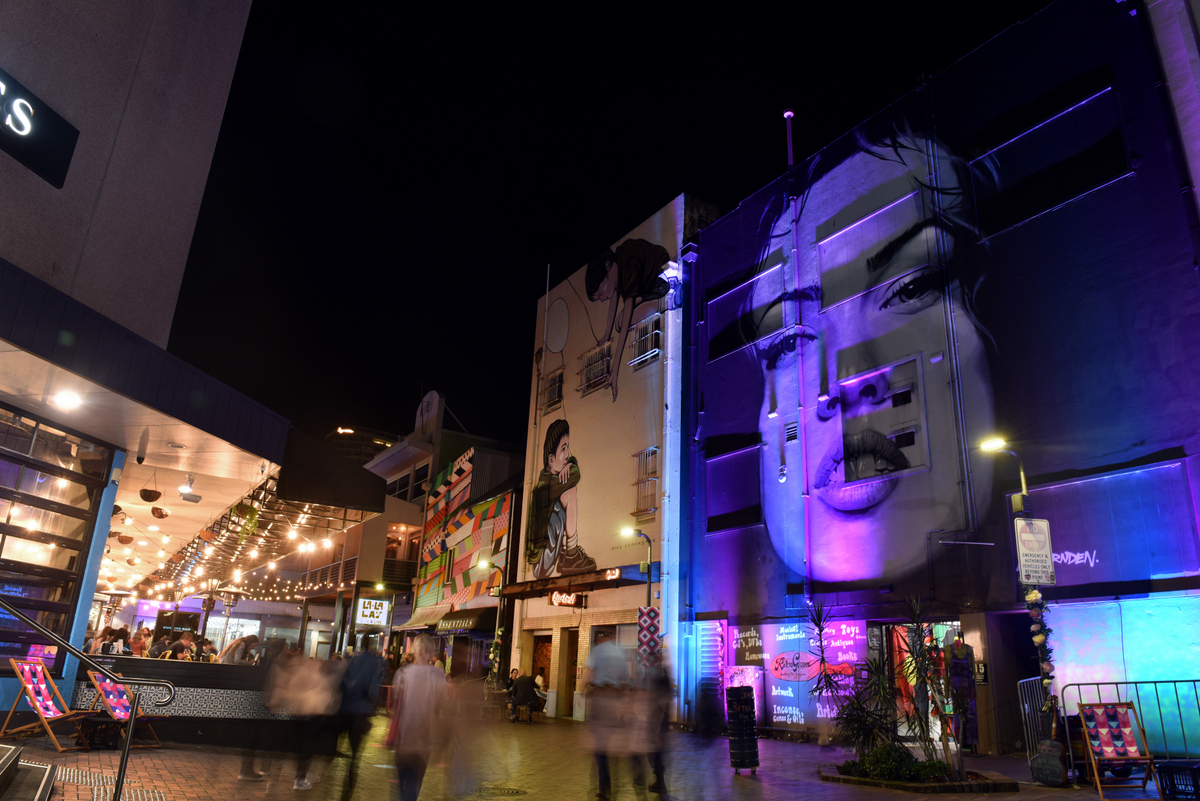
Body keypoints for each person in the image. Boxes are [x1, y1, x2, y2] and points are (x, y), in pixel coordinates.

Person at [584, 238, 674, 401]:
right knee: (618, 321)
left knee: (624, 320)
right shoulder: (617, 264)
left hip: (661, 278)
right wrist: (606, 335)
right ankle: (652, 299)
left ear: (607, 266)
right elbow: (614, 300)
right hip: (647, 286)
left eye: (601, 292)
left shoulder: (628, 264)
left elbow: (625, 325)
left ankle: (666, 301)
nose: (603, 298)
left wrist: (615, 370)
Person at [526, 419, 596, 579]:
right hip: (542, 563)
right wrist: (572, 464)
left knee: (566, 494)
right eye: (563, 449)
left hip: (545, 558)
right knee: (570, 491)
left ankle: (568, 552)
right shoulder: (551, 483)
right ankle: (571, 553)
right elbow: (576, 475)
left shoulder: (546, 479)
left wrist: (569, 463)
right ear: (551, 460)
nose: (568, 454)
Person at [391, 634, 447, 801]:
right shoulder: (437, 675)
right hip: (424, 737)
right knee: (415, 782)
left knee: (402, 781)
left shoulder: (402, 674)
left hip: (402, 736)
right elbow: (441, 704)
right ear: (430, 651)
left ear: (414, 650)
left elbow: (396, 704)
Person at [335, 639, 384, 800]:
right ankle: (346, 793)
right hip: (360, 712)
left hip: (346, 709)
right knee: (354, 757)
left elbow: (342, 684)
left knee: (335, 746)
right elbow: (373, 690)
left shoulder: (355, 660)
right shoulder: (375, 664)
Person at [586, 630, 628, 800]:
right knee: (608, 743)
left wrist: (586, 691)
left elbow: (588, 675)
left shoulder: (597, 651)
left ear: (601, 637)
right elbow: (625, 680)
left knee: (600, 747)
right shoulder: (619, 653)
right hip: (614, 702)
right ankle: (608, 782)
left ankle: (604, 786)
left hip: (600, 700)